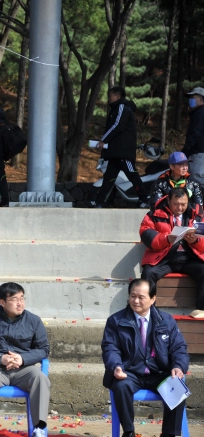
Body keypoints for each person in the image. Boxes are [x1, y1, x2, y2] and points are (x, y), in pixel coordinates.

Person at [102, 278, 189, 437]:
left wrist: (178, 366)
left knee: (177, 386)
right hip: (129, 373)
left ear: (153, 298)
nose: (135, 301)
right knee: (121, 387)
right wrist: (116, 366)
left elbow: (179, 348)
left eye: (141, 297)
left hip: (159, 373)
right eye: (132, 296)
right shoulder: (116, 321)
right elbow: (110, 348)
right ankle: (129, 432)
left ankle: (169, 434)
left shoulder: (166, 321)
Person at [0, 282, 50, 437]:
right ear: (2, 302)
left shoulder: (34, 321)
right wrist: (1, 359)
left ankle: (39, 429)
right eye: (14, 299)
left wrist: (22, 358)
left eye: (22, 298)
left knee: (40, 378)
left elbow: (43, 349)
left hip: (24, 369)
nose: (20, 303)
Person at [139, 187, 204, 317]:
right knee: (148, 273)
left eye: (183, 204)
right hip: (164, 258)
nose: (180, 208)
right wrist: (166, 238)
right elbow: (146, 235)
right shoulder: (154, 214)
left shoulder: (198, 214)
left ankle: (201, 309)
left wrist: (195, 241)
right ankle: (148, 311)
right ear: (168, 200)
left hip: (189, 257)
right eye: (176, 204)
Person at [90, 86, 148, 208]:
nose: (109, 98)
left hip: (123, 152)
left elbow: (117, 126)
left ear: (117, 96)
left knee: (133, 175)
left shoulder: (122, 107)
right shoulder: (116, 109)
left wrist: (103, 140)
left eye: (110, 96)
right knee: (108, 179)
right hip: (115, 153)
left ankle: (144, 200)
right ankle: (99, 202)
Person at [182, 87, 204, 189]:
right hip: (197, 151)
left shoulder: (200, 113)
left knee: (197, 180)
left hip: (198, 152)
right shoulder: (197, 113)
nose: (190, 100)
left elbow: (195, 133)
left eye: (193, 97)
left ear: (201, 99)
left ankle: (199, 203)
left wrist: (186, 150)